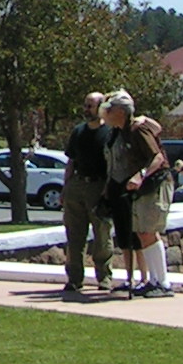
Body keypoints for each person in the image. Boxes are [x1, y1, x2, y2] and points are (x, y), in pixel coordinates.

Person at [110, 91, 174, 298]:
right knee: (143, 232)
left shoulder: (138, 129)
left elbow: (157, 157)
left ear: (120, 112)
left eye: (111, 110)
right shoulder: (124, 131)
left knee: (148, 231)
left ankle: (162, 283)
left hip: (156, 184)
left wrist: (140, 175)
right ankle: (153, 281)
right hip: (144, 188)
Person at [59, 92, 115, 297]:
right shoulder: (78, 132)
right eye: (85, 105)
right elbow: (71, 161)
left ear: (101, 108)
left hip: (98, 186)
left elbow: (113, 164)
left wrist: (107, 190)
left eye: (91, 106)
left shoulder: (110, 133)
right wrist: (66, 188)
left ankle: (104, 278)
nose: (86, 110)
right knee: (74, 236)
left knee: (102, 235)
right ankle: (74, 279)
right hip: (77, 186)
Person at [102, 95, 143, 293]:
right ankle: (129, 277)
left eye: (111, 110)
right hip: (115, 187)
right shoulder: (112, 133)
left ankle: (144, 277)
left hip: (131, 188)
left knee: (136, 235)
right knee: (123, 235)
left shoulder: (134, 130)